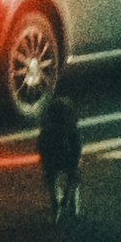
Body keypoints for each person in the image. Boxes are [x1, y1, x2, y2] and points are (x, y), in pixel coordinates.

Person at [34, 54, 86, 226]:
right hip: (66, 137)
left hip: (52, 139)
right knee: (72, 171)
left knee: (52, 173)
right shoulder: (70, 125)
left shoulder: (48, 123)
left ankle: (58, 203)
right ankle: (70, 200)